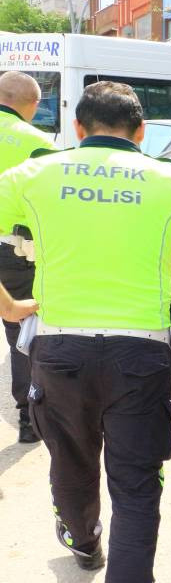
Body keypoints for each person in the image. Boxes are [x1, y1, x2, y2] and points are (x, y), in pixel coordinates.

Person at [0, 81, 171, 583]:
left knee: (71, 459)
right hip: (141, 353)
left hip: (58, 348)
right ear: (141, 132)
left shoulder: (35, 175)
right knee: (135, 487)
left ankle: (84, 542)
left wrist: (8, 306)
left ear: (78, 129)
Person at [0, 71, 52, 444]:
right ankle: (29, 419)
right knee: (22, 329)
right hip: (15, 250)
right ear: (33, 104)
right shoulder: (38, 143)